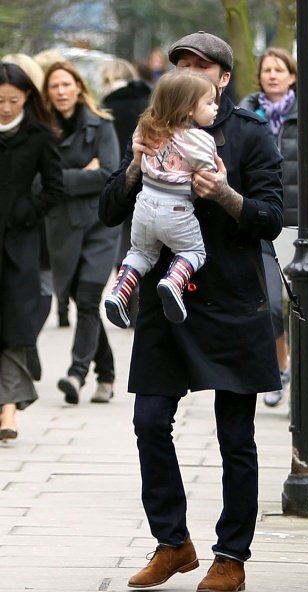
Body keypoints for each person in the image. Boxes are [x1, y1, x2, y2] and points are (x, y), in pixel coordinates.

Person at [99, 31, 283, 592]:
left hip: (231, 298)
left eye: (202, 67)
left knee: (236, 436)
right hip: (167, 300)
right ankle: (172, 542)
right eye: (181, 66)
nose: (190, 74)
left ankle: (231, 555)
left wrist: (225, 193)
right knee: (149, 421)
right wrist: (135, 166)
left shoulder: (249, 133)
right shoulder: (151, 125)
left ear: (223, 79)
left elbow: (271, 217)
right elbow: (109, 208)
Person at [240, 47, 308, 407]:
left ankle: (304, 381)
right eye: (267, 70)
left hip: (304, 228)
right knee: (271, 307)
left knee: (304, 309)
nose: (272, 75)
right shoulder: (247, 114)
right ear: (259, 76)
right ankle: (279, 367)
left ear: (292, 77)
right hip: (262, 227)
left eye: (280, 70)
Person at [105, 69, 218, 328]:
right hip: (177, 209)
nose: (215, 108)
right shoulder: (200, 139)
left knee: (140, 253)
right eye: (209, 102)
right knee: (193, 251)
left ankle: (120, 293)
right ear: (189, 109)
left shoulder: (146, 129)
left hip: (144, 205)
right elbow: (208, 174)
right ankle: (173, 282)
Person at [42, 61, 120, 405]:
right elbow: (37, 182)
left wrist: (63, 179)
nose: (61, 91)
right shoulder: (40, 130)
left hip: (99, 226)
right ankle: (107, 374)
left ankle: (76, 373)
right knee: (80, 300)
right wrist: (82, 174)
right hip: (62, 227)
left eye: (66, 84)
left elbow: (109, 174)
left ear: (78, 87)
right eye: (54, 86)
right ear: (47, 93)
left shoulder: (101, 124)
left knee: (88, 299)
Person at [0, 62, 63, 440]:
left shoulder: (39, 135)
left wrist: (26, 211)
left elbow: (55, 188)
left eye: (13, 100)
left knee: (15, 326)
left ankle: (9, 411)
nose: (6, 108)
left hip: (19, 244)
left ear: (26, 97)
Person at [101, 58, 152, 328]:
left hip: (121, 180)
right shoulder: (148, 102)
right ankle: (141, 302)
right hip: (152, 181)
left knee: (122, 245)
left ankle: (127, 299)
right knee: (144, 243)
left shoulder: (106, 108)